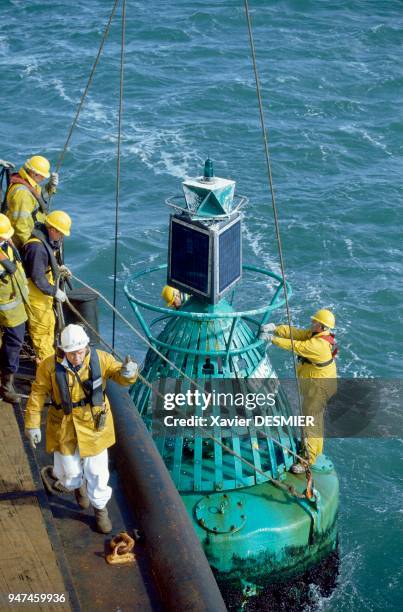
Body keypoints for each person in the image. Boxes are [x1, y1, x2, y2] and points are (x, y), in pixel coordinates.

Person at [24, 324, 138, 534]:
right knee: (68, 471)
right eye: (71, 353)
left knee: (97, 472)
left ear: (86, 346)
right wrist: (32, 424)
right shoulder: (49, 366)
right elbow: (38, 393)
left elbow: (118, 374)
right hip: (64, 426)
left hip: (94, 425)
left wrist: (129, 372)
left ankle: (100, 510)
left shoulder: (100, 359)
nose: (76, 357)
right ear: (62, 350)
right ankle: (78, 487)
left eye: (79, 352)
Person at [263, 309, 338, 472]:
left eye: (315, 322)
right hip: (320, 385)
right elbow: (296, 334)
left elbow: (295, 345)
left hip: (318, 388)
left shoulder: (317, 345)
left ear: (323, 326)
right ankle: (315, 451)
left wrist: (272, 339)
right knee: (315, 421)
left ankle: (307, 461)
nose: (312, 323)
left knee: (310, 422)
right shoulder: (318, 336)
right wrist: (276, 328)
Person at [22, 210, 71, 362]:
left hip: (43, 295)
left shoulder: (46, 241)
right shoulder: (37, 248)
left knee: (50, 325)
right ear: (51, 229)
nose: (62, 236)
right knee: (41, 332)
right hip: (35, 295)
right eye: (60, 232)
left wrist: (57, 267)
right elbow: (37, 278)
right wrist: (54, 291)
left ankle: (50, 357)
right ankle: (45, 368)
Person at [0, 214, 29, 402]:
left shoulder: (7, 245)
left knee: (14, 343)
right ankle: (5, 386)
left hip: (15, 306)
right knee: (12, 343)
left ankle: (6, 383)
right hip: (6, 308)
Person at [5, 155, 59, 250]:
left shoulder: (28, 182)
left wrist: (50, 187)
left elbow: (38, 198)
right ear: (34, 173)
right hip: (22, 241)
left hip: (34, 230)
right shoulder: (22, 194)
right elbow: (21, 226)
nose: (43, 178)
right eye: (42, 175)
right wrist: (33, 247)